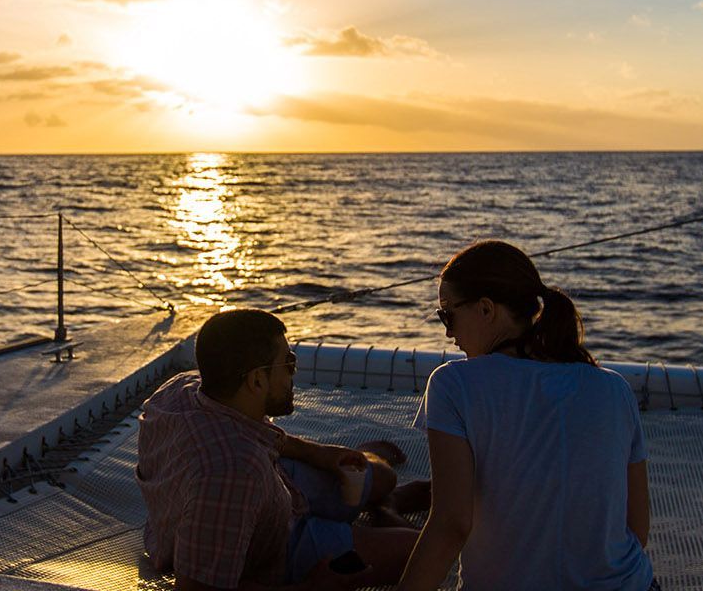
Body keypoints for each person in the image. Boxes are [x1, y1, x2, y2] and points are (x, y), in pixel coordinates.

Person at [396, 241, 655, 591]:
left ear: (486, 309)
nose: (448, 332)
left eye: (448, 314)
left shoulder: (453, 384)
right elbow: (637, 529)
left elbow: (452, 523)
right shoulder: (615, 389)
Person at [138, 308, 424, 590]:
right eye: (288, 363)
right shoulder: (234, 473)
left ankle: (381, 497)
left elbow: (251, 433)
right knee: (421, 550)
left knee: (381, 477)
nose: (294, 373)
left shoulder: (181, 391)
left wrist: (318, 453)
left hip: (275, 485)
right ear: (257, 380)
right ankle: (386, 507)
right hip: (274, 548)